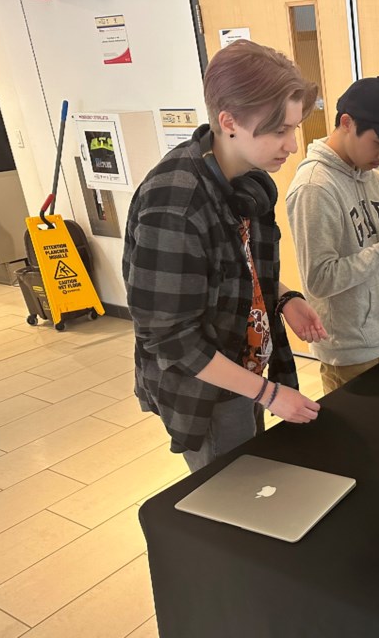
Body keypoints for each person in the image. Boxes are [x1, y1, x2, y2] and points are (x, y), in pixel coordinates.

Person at [122, 39, 329, 473]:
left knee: (254, 473)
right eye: (279, 130)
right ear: (228, 121)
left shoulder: (246, 181)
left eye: (293, 128)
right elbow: (172, 339)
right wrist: (269, 394)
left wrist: (284, 298)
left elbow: (237, 269)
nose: (293, 145)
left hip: (245, 365)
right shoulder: (174, 204)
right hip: (207, 388)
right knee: (232, 493)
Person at [285, 77, 379, 394]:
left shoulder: (371, 177)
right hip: (348, 353)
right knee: (360, 443)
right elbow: (319, 280)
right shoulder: (314, 187)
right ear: (347, 123)